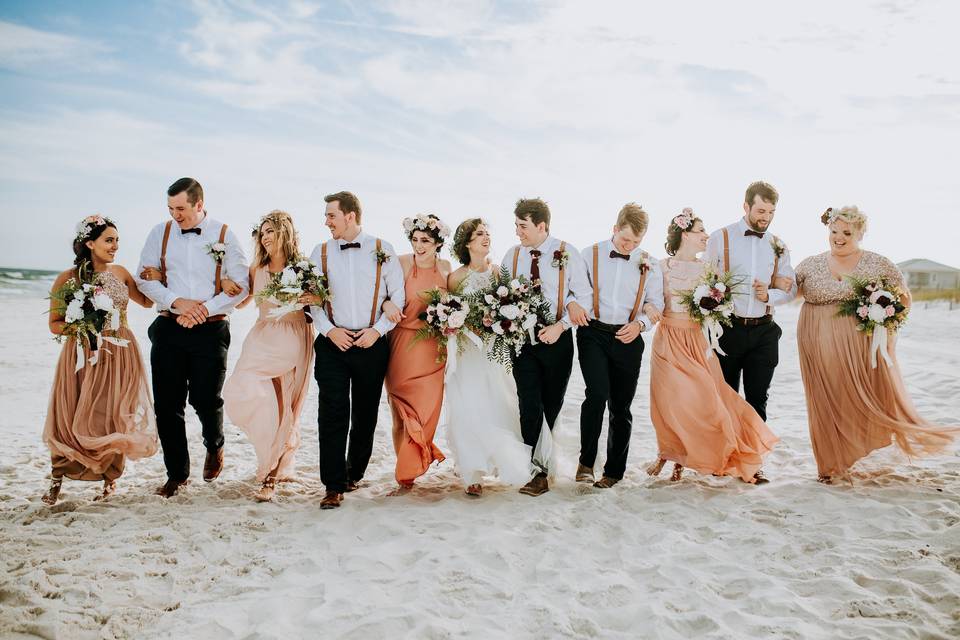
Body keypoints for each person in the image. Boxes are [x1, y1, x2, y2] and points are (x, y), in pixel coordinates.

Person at [795, 206, 956, 483]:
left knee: (852, 398)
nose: (839, 237)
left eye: (847, 232)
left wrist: (885, 325)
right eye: (834, 231)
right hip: (814, 342)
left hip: (858, 348)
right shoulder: (810, 264)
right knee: (824, 400)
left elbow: (902, 298)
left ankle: (850, 453)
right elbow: (785, 291)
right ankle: (828, 465)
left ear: (860, 233)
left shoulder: (877, 263)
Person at [136, 177, 249, 498]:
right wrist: (177, 302)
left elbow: (241, 283)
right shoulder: (159, 233)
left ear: (199, 204)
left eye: (181, 208)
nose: (176, 215)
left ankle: (215, 445)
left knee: (204, 398)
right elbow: (143, 278)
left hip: (211, 328)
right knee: (167, 405)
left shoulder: (224, 235)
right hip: (169, 325)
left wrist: (204, 309)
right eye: (171, 208)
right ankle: (176, 474)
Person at [648, 210, 779, 483]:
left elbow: (722, 302)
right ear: (685, 234)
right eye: (700, 230)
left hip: (696, 341)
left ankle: (714, 451)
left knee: (703, 400)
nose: (706, 235)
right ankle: (669, 455)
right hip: (668, 338)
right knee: (669, 401)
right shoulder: (661, 266)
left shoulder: (709, 270)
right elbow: (651, 301)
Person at [42, 215, 158, 504]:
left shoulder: (120, 273)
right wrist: (82, 326)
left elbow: (147, 301)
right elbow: (55, 323)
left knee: (115, 414)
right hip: (81, 354)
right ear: (89, 243)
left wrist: (153, 278)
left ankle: (110, 480)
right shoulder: (67, 279)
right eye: (109, 240)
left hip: (120, 353)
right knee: (69, 414)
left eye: (117, 240)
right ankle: (57, 478)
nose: (115, 246)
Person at [305, 191, 404, 509]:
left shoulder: (382, 249)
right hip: (332, 343)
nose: (326, 221)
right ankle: (332, 485)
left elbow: (397, 297)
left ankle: (354, 472)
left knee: (365, 413)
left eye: (331, 215)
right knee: (332, 412)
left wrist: (377, 332)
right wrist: (329, 330)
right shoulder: (318, 253)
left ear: (350, 216)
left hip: (371, 344)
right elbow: (312, 300)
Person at [703, 181, 795, 482]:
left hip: (764, 331)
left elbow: (790, 286)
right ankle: (725, 458)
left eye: (770, 212)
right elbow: (704, 280)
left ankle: (753, 462)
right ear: (746, 207)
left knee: (758, 398)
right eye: (760, 210)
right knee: (726, 398)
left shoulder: (778, 245)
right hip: (728, 330)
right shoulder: (720, 238)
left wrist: (770, 295)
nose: (765, 217)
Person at [221, 210, 315, 501]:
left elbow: (318, 301)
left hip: (292, 336)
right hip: (262, 336)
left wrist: (311, 298)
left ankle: (270, 475)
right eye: (261, 233)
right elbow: (240, 302)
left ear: (284, 233)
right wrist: (226, 284)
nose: (264, 238)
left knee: (283, 402)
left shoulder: (303, 268)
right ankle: (270, 454)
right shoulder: (256, 268)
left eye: (270, 231)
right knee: (242, 387)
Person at [501, 198, 591, 496]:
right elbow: (500, 295)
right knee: (529, 404)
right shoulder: (511, 257)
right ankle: (536, 472)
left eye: (523, 226)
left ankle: (544, 462)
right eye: (516, 225)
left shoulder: (568, 253)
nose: (518, 232)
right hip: (521, 341)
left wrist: (560, 326)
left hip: (558, 340)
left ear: (542, 226)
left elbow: (584, 296)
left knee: (552, 405)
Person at [573, 203, 664, 488]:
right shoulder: (589, 254)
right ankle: (586, 462)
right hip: (593, 333)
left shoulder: (650, 263)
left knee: (621, 406)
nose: (629, 246)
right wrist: (572, 304)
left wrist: (640, 326)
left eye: (636, 242)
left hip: (629, 337)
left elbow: (656, 303)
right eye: (625, 239)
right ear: (614, 229)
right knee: (596, 395)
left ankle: (614, 472)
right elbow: (573, 290)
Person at [444, 218, 533, 496]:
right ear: (467, 242)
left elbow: (510, 306)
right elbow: (449, 315)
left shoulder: (498, 274)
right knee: (468, 405)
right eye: (479, 234)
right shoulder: (456, 278)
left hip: (494, 350)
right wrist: (461, 323)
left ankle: (503, 463)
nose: (486, 238)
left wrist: (496, 321)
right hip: (467, 352)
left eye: (487, 234)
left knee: (499, 401)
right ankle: (472, 473)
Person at [382, 214, 452, 489]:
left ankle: (411, 466)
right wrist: (387, 305)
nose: (419, 246)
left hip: (433, 349)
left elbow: (455, 303)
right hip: (401, 345)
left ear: (437, 244)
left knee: (425, 414)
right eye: (415, 240)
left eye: (425, 240)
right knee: (400, 414)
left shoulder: (446, 267)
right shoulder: (399, 263)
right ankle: (405, 476)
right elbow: (383, 295)